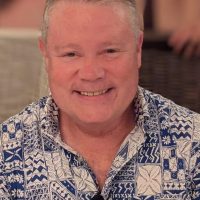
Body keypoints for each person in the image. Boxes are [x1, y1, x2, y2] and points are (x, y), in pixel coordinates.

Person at [0, 0, 200, 199]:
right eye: (71, 54)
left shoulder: (193, 143)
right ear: (46, 55)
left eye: (110, 51)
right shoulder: (7, 152)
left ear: (138, 49)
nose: (91, 73)